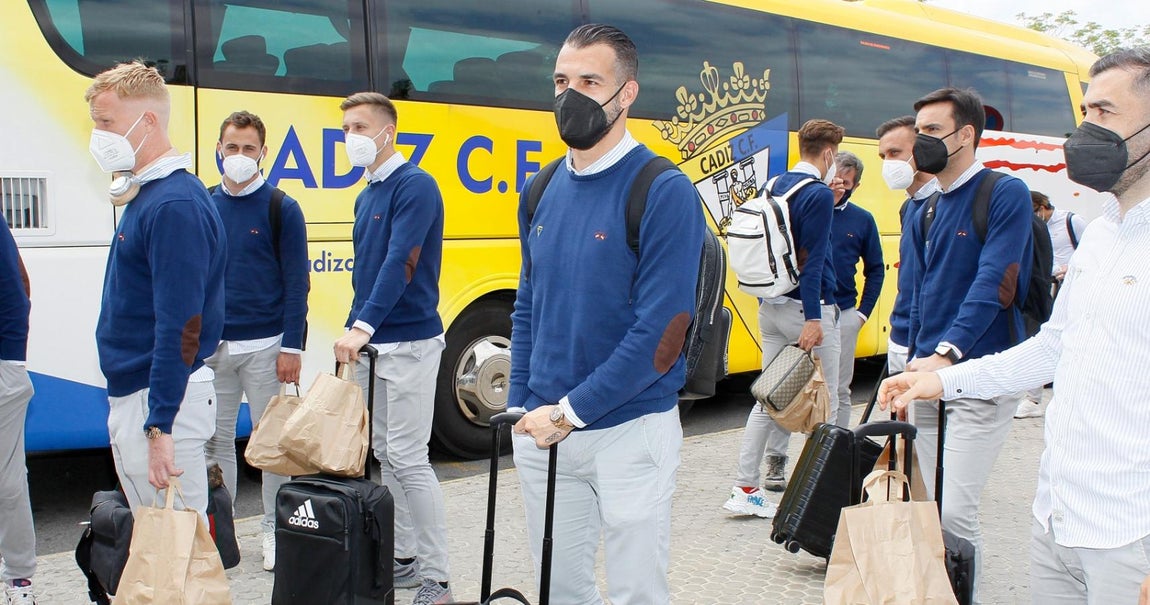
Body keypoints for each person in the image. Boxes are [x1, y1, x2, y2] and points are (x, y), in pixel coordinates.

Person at [881, 48, 1150, 605]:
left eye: (1104, 112)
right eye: (1084, 112)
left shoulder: (999, 194)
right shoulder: (1104, 234)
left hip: (1131, 536)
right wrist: (940, 380)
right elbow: (1053, 347)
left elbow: (993, 284)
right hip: (1058, 518)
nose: (1084, 130)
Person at [508, 24, 704, 604]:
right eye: (561, 81)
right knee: (558, 590)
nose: (571, 95)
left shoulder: (662, 189)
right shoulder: (540, 189)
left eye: (590, 81)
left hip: (630, 430)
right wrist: (522, 402)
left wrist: (570, 412)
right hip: (543, 430)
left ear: (627, 94)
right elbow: (527, 306)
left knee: (635, 592)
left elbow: (663, 331)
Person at [903, 87, 1034, 602]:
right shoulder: (925, 209)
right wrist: (911, 356)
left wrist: (948, 352)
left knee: (956, 510)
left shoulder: (1004, 193)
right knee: (929, 503)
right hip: (926, 378)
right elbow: (917, 293)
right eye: (919, 132)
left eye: (933, 131)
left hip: (980, 374)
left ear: (965, 136)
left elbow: (994, 280)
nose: (922, 142)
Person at [86, 61, 225, 521]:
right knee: (165, 543)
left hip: (161, 397)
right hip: (148, 393)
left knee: (178, 549)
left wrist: (159, 425)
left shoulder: (174, 205)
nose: (98, 137)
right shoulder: (152, 194)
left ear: (147, 122)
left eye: (106, 123)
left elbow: (181, 324)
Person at [331, 92, 452, 604]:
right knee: (383, 453)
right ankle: (403, 556)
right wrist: (355, 332)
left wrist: (361, 327)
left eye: (360, 127)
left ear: (389, 132)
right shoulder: (366, 195)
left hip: (410, 343)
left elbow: (401, 263)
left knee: (407, 457)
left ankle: (438, 578)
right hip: (375, 345)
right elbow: (367, 274)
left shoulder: (416, 186)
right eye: (346, 130)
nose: (351, 138)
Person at [204, 110, 309, 572]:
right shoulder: (204, 204)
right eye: (233, 147)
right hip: (213, 352)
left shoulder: (281, 208)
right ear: (219, 150)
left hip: (267, 349)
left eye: (249, 148)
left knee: (272, 447)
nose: (240, 156)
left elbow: (296, 284)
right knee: (215, 444)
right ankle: (221, 532)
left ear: (264, 153)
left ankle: (273, 527)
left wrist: (292, 347)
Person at [724, 118, 843, 516]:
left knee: (768, 398)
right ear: (828, 153)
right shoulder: (818, 195)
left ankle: (746, 488)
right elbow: (814, 264)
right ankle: (818, 495)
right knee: (828, 401)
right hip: (804, 311)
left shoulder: (773, 185)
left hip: (769, 307)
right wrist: (814, 318)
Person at [875, 115, 939, 374]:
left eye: (895, 153)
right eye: (883, 157)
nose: (888, 164)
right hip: (901, 335)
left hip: (927, 343)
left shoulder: (945, 205)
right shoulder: (909, 206)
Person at [1012, 190, 1079, 419]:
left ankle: (1036, 399)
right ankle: (1036, 397)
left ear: (1041, 207)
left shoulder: (1070, 221)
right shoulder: (1034, 225)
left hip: (1068, 288)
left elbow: (1089, 250)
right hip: (1051, 287)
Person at [829, 150, 883, 426]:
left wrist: (861, 315)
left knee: (839, 389)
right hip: (802, 314)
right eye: (834, 179)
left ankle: (834, 451)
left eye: (846, 183)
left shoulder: (863, 220)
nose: (839, 187)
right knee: (791, 388)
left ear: (856, 186)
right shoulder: (806, 211)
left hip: (843, 315)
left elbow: (876, 269)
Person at [0, 220, 37, 605]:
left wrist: (11, 364)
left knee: (7, 482)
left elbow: (15, 292)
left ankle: (19, 581)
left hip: (2, 371)